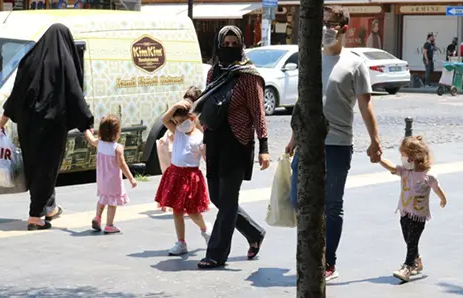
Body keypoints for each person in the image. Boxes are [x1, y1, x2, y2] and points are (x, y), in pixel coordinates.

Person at [285, 5, 382, 281]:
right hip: (307, 143)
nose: (326, 27)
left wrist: (375, 141)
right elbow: (303, 102)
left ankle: (328, 262)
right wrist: (293, 137)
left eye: (332, 22)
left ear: (344, 29)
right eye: (323, 21)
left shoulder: (355, 63)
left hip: (338, 144)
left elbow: (366, 105)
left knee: (331, 204)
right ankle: (314, 251)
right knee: (298, 199)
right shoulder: (310, 59)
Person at [0, 23, 94, 231]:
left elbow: (17, 91)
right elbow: (74, 92)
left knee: (35, 166)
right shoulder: (63, 61)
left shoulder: (30, 59)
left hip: (27, 125)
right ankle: (35, 215)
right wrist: (87, 124)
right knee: (47, 169)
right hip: (51, 125)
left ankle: (49, 209)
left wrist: (4, 118)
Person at [194, 25, 270, 269]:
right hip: (215, 141)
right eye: (225, 44)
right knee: (217, 197)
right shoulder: (214, 72)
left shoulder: (248, 75)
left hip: (238, 142)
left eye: (233, 44)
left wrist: (264, 147)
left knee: (228, 199)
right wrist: (204, 140)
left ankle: (216, 253)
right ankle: (254, 233)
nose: (229, 48)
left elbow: (259, 112)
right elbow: (206, 107)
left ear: (241, 45)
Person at [378, 136, 447, 282]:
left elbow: (437, 188)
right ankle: (417, 260)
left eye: (403, 156)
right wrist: (378, 158)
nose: (401, 159)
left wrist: (443, 198)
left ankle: (407, 267)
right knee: (408, 238)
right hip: (404, 211)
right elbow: (391, 167)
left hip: (418, 215)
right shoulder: (404, 171)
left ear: (413, 158)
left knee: (412, 240)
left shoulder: (428, 176)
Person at [155, 87, 211, 256]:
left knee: (192, 211)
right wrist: (175, 106)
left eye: (182, 121)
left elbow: (206, 156)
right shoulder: (178, 132)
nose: (179, 125)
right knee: (177, 211)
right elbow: (164, 119)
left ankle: (205, 229)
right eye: (177, 122)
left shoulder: (200, 137)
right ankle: (181, 242)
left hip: (190, 177)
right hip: (175, 174)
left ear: (192, 118)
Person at [84, 115, 137, 234]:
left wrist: (87, 130)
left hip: (101, 180)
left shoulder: (99, 143)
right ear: (117, 132)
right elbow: (122, 165)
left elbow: (90, 139)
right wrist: (131, 179)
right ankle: (109, 224)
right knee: (112, 202)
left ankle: (97, 217)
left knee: (103, 198)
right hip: (113, 181)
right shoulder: (117, 148)